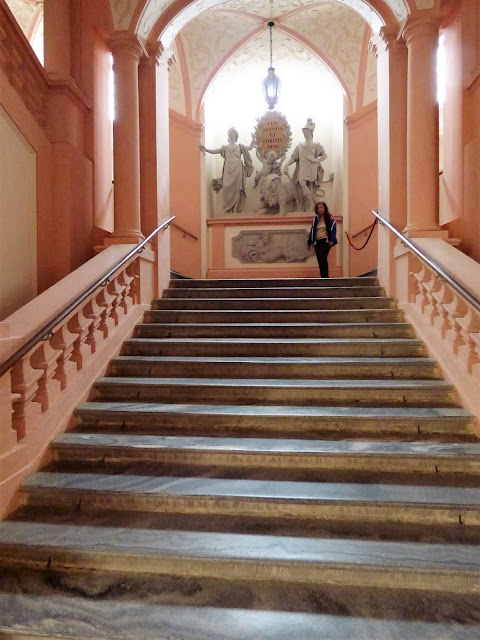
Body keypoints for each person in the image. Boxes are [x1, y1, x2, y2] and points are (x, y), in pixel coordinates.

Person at [200, 128, 254, 213]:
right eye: (230, 133)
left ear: (235, 135)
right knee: (226, 187)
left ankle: (235, 210)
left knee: (238, 188)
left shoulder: (240, 146)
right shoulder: (225, 147)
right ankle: (227, 209)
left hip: (238, 168)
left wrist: (253, 140)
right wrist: (206, 149)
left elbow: (250, 148)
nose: (231, 134)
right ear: (228, 136)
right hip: (228, 169)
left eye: (233, 133)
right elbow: (215, 151)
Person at [283, 118, 327, 211]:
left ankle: (309, 206)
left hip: (312, 167)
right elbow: (294, 158)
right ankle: (310, 202)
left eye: (306, 132)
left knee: (310, 186)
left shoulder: (316, 145)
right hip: (302, 168)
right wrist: (286, 165)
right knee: (301, 183)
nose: (304, 134)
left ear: (310, 132)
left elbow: (324, 155)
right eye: (304, 132)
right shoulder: (300, 146)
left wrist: (317, 160)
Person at [307, 201, 337, 278]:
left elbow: (333, 228)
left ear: (324, 208)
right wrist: (309, 241)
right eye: (318, 208)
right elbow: (312, 230)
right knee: (320, 259)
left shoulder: (329, 218)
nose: (319, 209)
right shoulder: (316, 219)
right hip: (317, 241)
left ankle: (326, 277)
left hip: (325, 241)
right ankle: (322, 277)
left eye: (321, 207)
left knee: (323, 258)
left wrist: (332, 239)